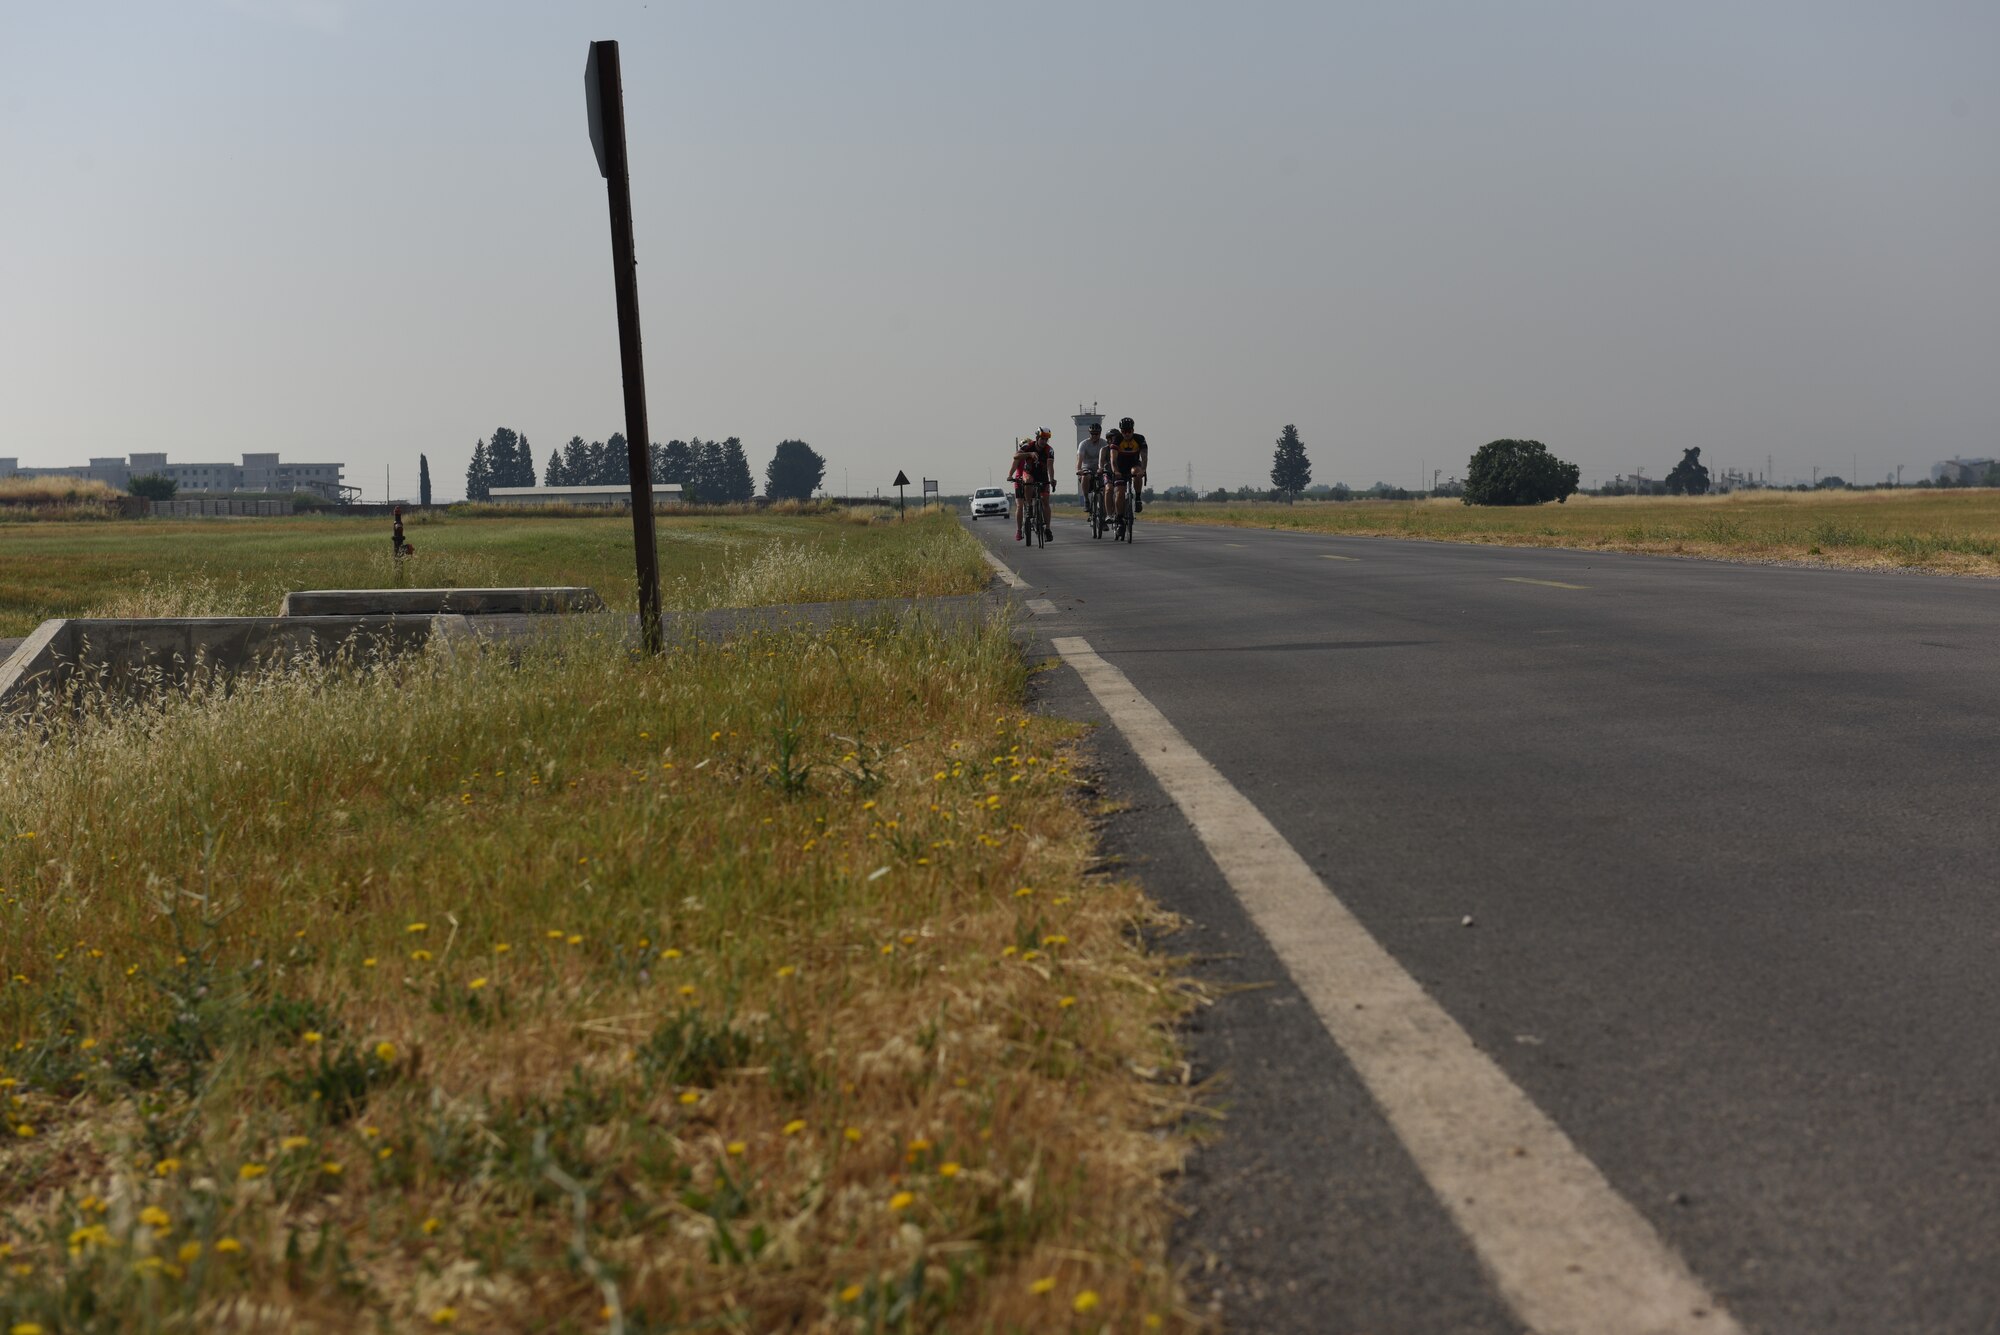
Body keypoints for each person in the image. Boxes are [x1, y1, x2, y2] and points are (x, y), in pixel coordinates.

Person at [1105, 416, 1148, 539]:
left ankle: (1138, 498)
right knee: (1119, 492)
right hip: (1120, 468)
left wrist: (1143, 470)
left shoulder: (1140, 439)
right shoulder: (1117, 440)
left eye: (1129, 431)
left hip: (1134, 464)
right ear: (1121, 431)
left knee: (1136, 471)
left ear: (1133, 430)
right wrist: (1115, 471)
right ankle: (1119, 518)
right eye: (1124, 431)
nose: (1126, 434)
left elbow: (1144, 457)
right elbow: (1113, 460)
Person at [1076, 421, 1106, 525]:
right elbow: (1079, 460)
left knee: (1105, 492)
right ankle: (1086, 500)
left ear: (1100, 434)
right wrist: (1079, 469)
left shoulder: (1104, 443)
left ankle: (1104, 519)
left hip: (1100, 469)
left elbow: (1108, 459)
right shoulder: (1084, 444)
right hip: (1087, 468)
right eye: (1092, 433)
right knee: (1085, 476)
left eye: (1096, 434)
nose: (1094, 436)